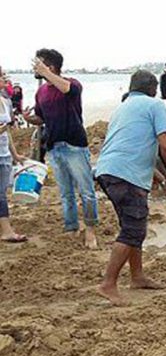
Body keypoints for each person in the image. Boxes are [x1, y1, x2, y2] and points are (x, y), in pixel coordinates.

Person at [94, 70, 166, 305]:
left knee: (132, 226)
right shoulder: (155, 105)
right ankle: (108, 284)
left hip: (108, 171)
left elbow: (135, 149)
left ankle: (137, 276)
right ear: (154, 89)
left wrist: (162, 178)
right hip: (125, 175)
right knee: (133, 230)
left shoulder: (122, 108)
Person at [21, 49, 98, 248]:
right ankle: (71, 226)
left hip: (74, 145)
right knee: (65, 192)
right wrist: (29, 118)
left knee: (86, 191)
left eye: (39, 63)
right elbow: (41, 117)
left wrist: (45, 72)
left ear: (51, 66)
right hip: (54, 146)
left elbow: (67, 89)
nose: (34, 67)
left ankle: (90, 230)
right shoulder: (41, 92)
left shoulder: (72, 83)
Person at [0, 69, 27, 243]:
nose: (4, 78)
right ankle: (7, 231)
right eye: (1, 76)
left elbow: (7, 131)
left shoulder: (5, 101)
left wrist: (15, 154)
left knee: (2, 192)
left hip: (4, 154)